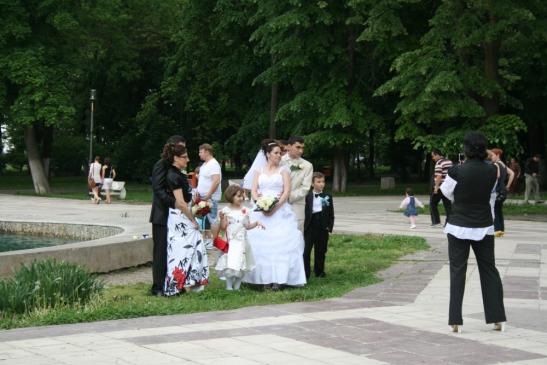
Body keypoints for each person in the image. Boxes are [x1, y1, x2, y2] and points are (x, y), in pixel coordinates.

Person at [440, 131, 506, 333]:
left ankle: (455, 321)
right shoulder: (493, 170)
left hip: (458, 225)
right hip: (484, 226)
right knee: (489, 271)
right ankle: (497, 319)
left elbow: (446, 192)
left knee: (457, 271)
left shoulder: (456, 171)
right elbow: (492, 196)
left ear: (466, 149)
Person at [244, 140, 307, 290]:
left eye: (280, 153)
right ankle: (264, 279)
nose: (279, 155)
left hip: (280, 210)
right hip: (261, 210)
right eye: (276, 153)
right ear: (268, 154)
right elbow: (253, 190)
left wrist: (275, 207)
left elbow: (286, 191)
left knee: (280, 246)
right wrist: (260, 204)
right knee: (262, 246)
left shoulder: (284, 170)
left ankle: (279, 279)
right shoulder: (258, 170)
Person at [163, 143, 208, 295]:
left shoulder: (179, 174)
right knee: (181, 250)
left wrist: (194, 201)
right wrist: (193, 220)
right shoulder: (173, 175)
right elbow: (181, 203)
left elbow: (185, 199)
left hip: (183, 214)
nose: (188, 160)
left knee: (196, 246)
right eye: (184, 157)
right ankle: (177, 285)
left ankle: (191, 282)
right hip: (180, 217)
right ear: (176, 158)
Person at [149, 135, 186, 297]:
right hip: (162, 215)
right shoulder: (161, 165)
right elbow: (158, 189)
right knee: (161, 252)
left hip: (175, 216)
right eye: (180, 148)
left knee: (174, 252)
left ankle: (173, 282)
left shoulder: (176, 168)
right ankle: (157, 286)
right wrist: (175, 203)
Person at [216, 184, 263, 291]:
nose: (241, 198)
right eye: (238, 196)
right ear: (231, 196)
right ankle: (229, 286)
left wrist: (256, 223)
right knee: (230, 265)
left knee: (242, 265)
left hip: (242, 242)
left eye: (242, 196)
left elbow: (247, 226)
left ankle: (237, 286)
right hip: (231, 242)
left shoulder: (245, 210)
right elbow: (223, 228)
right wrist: (222, 219)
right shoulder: (226, 211)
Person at [303, 172, 334, 279]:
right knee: (306, 251)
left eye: (323, 182)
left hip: (322, 225)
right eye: (318, 182)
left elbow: (331, 213)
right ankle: (305, 273)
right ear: (312, 184)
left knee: (321, 250)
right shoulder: (307, 196)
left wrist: (329, 226)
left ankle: (319, 271)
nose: (322, 184)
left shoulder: (327, 196)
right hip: (310, 225)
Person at [281, 136, 313, 230]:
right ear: (289, 146)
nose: (301, 151)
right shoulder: (279, 161)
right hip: (277, 205)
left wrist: (288, 197)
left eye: (302, 148)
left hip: (296, 205)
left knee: (296, 234)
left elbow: (305, 188)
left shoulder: (307, 165)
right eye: (298, 147)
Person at [195, 143, 222, 249]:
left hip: (210, 197)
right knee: (201, 219)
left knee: (213, 219)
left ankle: (214, 241)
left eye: (200, 152)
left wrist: (208, 195)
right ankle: (206, 240)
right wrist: (197, 190)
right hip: (202, 196)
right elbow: (202, 180)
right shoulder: (204, 165)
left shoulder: (213, 164)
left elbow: (216, 181)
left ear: (206, 151)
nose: (199, 154)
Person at [488, 149, 515, 237]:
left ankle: (496, 230)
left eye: (492, 155)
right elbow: (512, 173)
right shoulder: (503, 164)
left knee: (495, 210)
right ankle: (501, 230)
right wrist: (507, 186)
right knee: (499, 210)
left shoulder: (496, 165)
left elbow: (497, 175)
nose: (491, 157)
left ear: (497, 155)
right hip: (503, 190)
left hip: (498, 190)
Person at [430, 149, 453, 227]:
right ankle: (449, 222)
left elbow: (438, 176)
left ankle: (436, 222)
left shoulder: (439, 163)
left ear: (437, 155)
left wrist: (436, 188)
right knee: (448, 205)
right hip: (448, 187)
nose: (433, 158)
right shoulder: (449, 162)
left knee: (433, 204)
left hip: (440, 187)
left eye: (433, 156)